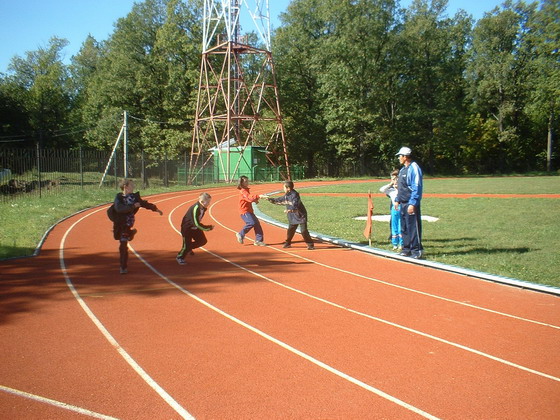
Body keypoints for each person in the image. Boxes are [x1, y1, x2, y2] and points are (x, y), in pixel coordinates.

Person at [112, 179, 163, 274]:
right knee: (117, 237)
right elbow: (119, 209)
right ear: (125, 187)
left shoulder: (134, 197)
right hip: (119, 224)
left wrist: (156, 209)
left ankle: (123, 267)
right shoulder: (119, 198)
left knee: (123, 245)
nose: (134, 187)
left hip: (127, 224)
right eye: (132, 185)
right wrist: (133, 206)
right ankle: (131, 233)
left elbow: (144, 204)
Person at [267, 180, 315, 250]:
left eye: (284, 187)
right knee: (291, 230)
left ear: (288, 188)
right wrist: (269, 199)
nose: (283, 189)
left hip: (300, 215)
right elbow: (279, 200)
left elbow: (295, 205)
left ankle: (310, 244)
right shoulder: (286, 195)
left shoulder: (295, 195)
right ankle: (288, 243)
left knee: (303, 231)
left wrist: (290, 210)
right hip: (292, 216)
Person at [395, 146, 423, 259]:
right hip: (402, 202)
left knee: (413, 227)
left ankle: (416, 250)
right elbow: (401, 187)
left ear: (405, 157)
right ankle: (406, 249)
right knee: (404, 227)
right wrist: (397, 200)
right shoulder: (402, 170)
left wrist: (413, 203)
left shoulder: (414, 168)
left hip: (410, 203)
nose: (398, 158)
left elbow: (417, 187)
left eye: (400, 156)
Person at [176, 192, 214, 265]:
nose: (209, 203)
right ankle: (180, 257)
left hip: (195, 228)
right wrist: (207, 228)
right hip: (187, 229)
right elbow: (196, 222)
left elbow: (197, 223)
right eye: (208, 202)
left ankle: (188, 248)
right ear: (202, 201)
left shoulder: (203, 208)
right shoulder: (196, 208)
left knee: (202, 241)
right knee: (186, 246)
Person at [236, 175, 267, 246]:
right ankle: (240, 234)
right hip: (244, 211)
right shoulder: (243, 191)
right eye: (245, 181)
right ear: (241, 183)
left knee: (257, 224)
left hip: (249, 211)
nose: (247, 182)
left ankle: (258, 241)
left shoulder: (246, 190)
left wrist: (255, 200)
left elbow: (249, 199)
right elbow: (249, 197)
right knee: (251, 222)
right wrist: (259, 196)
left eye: (248, 181)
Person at [379, 170, 403, 250]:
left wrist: (398, 185)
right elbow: (382, 190)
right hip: (394, 208)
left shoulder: (402, 188)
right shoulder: (391, 191)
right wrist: (391, 184)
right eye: (393, 179)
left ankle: (401, 243)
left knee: (401, 226)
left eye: (396, 179)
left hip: (402, 208)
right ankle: (395, 243)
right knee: (394, 226)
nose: (395, 181)